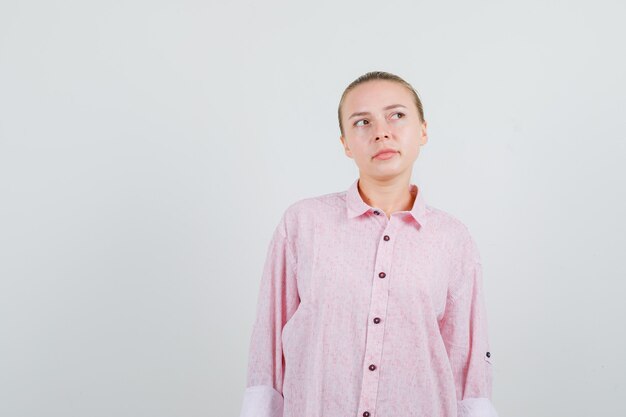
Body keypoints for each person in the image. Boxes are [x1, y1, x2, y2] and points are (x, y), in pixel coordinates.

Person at [238, 71, 499, 417]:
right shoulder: (302, 224)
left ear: (422, 130)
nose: (382, 132)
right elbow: (268, 348)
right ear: (346, 143)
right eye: (362, 122)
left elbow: (466, 363)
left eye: (397, 115)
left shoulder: (453, 239)